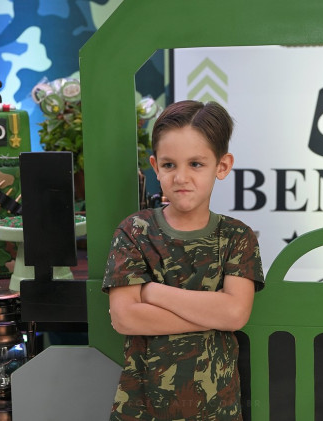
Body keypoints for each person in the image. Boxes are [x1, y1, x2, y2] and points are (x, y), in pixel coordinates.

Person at [102, 100, 264, 420]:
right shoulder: (135, 231)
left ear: (222, 165)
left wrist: (151, 292)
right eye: (169, 165)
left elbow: (235, 314)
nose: (181, 177)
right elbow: (125, 318)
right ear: (155, 166)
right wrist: (214, 314)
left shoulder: (237, 237)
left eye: (196, 164)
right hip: (141, 407)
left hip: (217, 409)